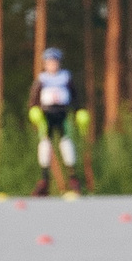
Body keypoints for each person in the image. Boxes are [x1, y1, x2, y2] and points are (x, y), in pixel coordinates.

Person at [26, 48, 90, 198]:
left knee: (66, 143)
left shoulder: (66, 78)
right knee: (45, 144)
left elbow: (75, 97)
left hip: (63, 115)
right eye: (49, 62)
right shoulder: (41, 80)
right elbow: (34, 99)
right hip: (46, 116)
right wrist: (34, 111)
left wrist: (79, 111)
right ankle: (44, 180)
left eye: (54, 62)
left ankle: (73, 178)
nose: (52, 65)